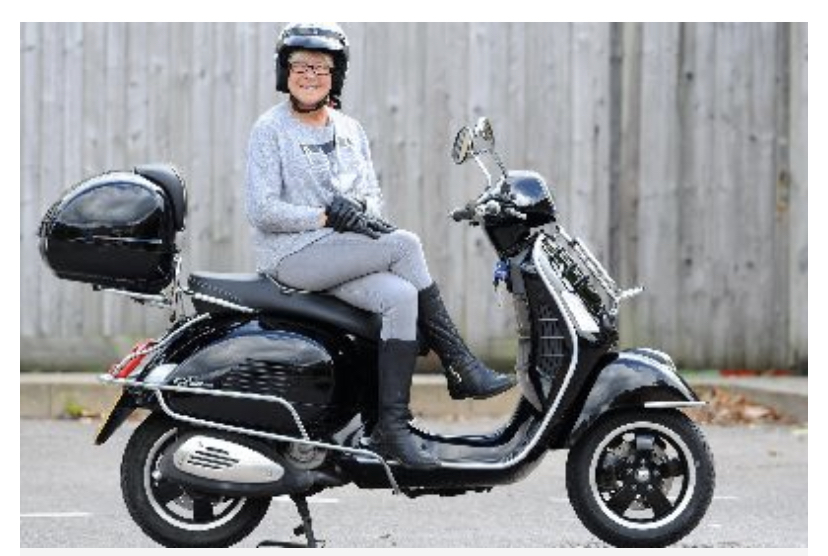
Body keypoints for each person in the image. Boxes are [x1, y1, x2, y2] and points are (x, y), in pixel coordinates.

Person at [244, 22, 515, 469]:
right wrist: (324, 216)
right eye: (301, 66)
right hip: (292, 256)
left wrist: (359, 210)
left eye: (321, 68)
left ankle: (390, 428)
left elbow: (372, 195)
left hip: (342, 252)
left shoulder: (351, 129)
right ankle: (461, 363)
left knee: (401, 296)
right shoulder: (269, 129)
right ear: (284, 71)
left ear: (336, 75)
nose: (310, 75)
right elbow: (262, 210)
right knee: (405, 244)